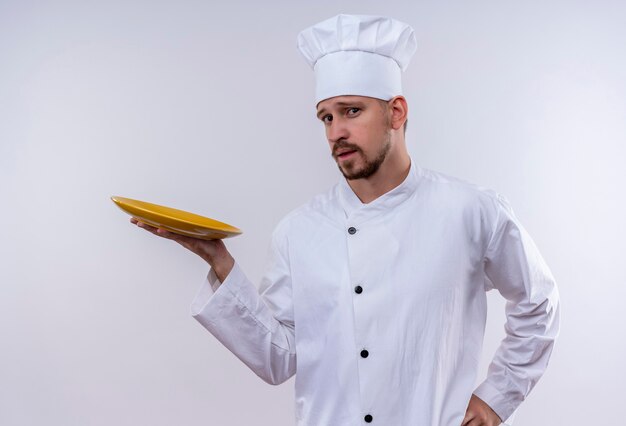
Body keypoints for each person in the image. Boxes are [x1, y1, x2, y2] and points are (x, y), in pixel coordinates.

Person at [131, 14, 560, 426]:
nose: (335, 132)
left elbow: (539, 302)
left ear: (396, 113)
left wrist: (496, 398)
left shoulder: (471, 211)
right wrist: (219, 261)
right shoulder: (298, 232)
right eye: (326, 117)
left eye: (351, 111)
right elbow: (279, 358)